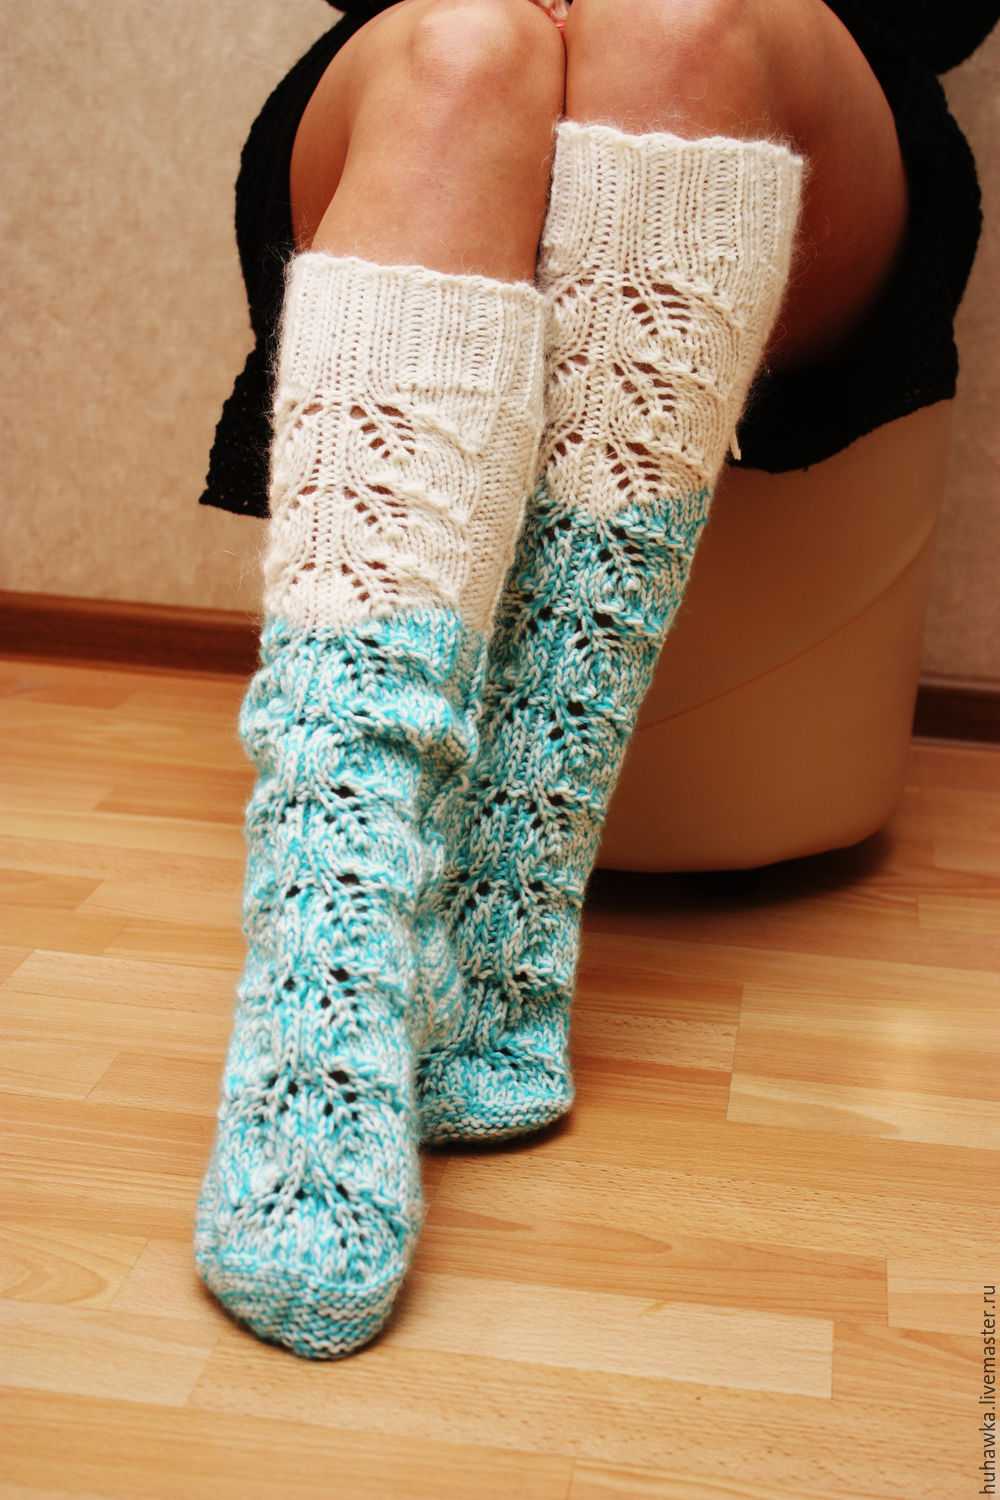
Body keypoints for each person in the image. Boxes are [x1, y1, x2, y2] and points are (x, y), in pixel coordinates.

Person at [194, 0, 996, 1360]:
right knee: (463, 46)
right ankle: (328, 928)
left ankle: (503, 904)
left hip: (797, 62)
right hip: (443, 53)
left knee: (677, 14)